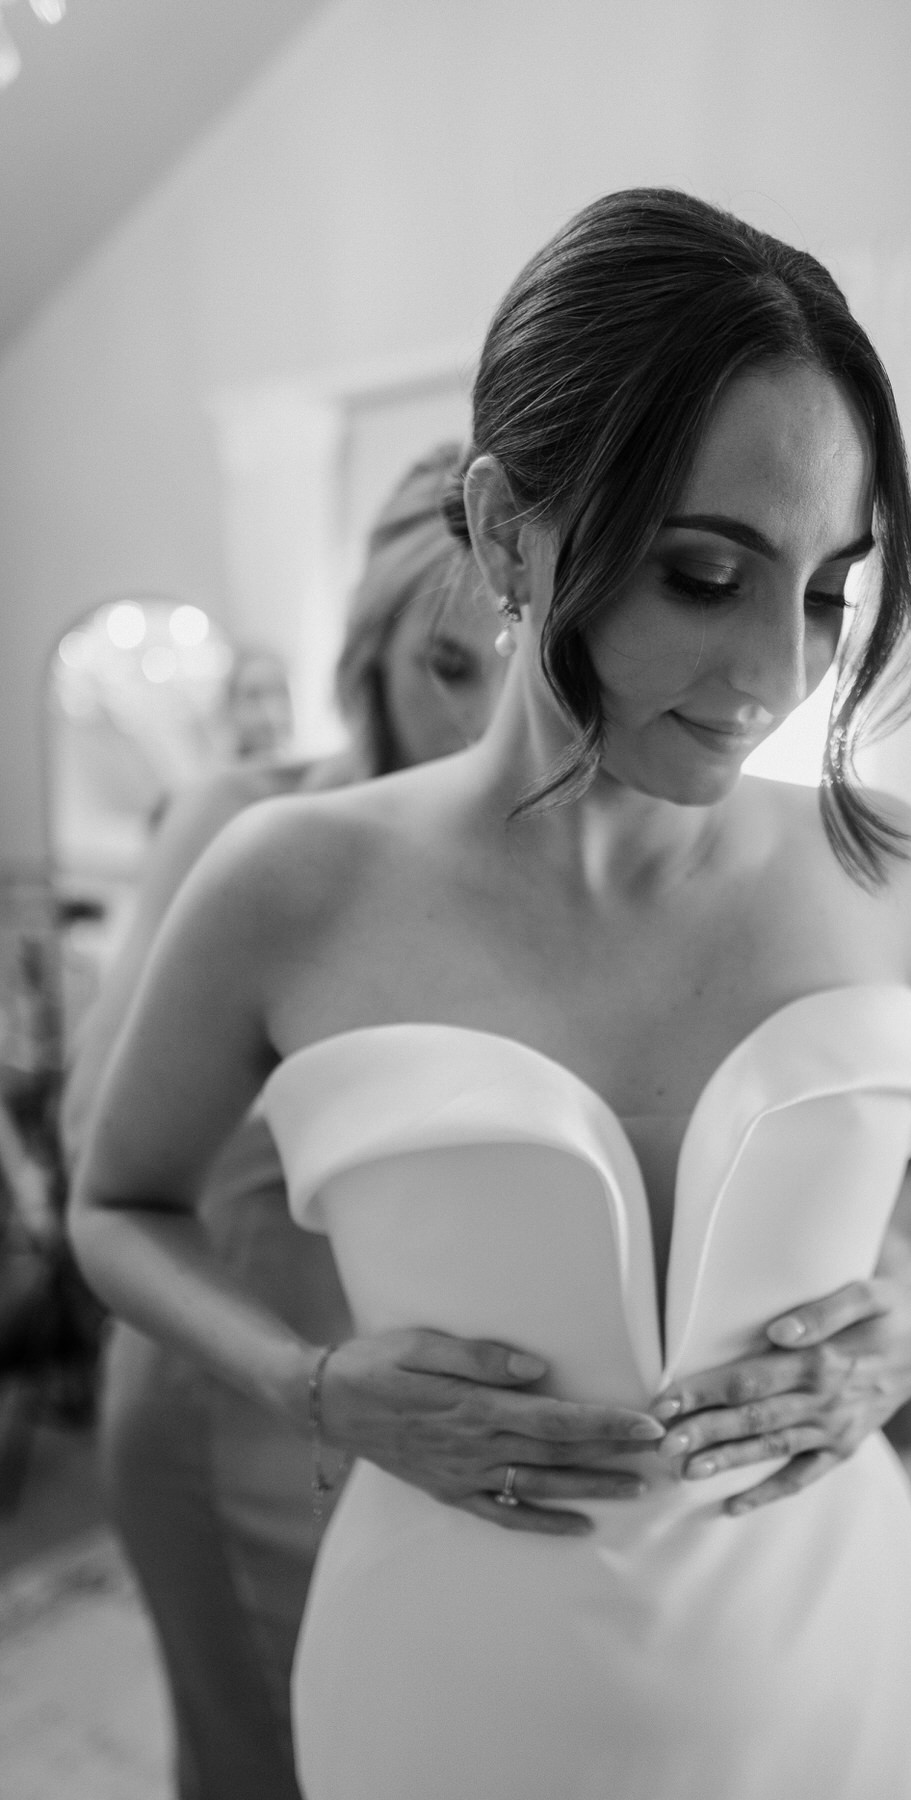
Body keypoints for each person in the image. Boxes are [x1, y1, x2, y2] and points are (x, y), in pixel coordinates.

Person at [69, 190, 911, 1800]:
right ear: (503, 532)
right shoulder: (291, 878)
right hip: (451, 1676)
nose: (777, 679)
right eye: (706, 575)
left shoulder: (885, 863)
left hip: (831, 1652)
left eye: (831, 589)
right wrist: (307, 1382)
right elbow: (116, 1201)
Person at [60, 443, 509, 1800]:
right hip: (230, 1391)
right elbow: (98, 1133)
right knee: (267, 1757)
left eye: (524, 673)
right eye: (448, 668)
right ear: (370, 645)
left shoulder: (520, 864)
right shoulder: (247, 824)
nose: (484, 725)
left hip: (402, 1424)